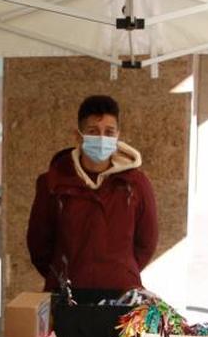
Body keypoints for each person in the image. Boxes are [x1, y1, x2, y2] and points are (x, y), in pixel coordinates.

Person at [26, 94, 158, 292]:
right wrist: (64, 274)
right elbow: (39, 244)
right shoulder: (52, 183)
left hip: (121, 294)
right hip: (66, 296)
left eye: (109, 132)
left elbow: (146, 242)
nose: (102, 138)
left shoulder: (136, 184)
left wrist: (119, 272)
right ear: (79, 136)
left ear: (118, 136)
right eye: (93, 131)